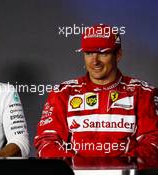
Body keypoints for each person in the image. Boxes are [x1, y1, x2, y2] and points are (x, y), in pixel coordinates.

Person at [34, 24, 158, 162]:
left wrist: (118, 167)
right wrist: (80, 168)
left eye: (103, 53)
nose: (95, 61)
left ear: (118, 55)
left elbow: (153, 141)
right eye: (88, 53)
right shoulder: (63, 93)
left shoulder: (142, 93)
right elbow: (47, 142)